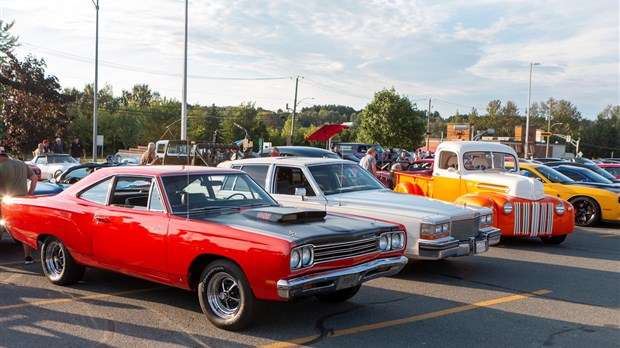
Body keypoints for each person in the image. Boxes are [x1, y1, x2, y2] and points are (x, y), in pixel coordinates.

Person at [0, 147, 38, 264]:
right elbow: (34, 178)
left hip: (6, 201)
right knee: (24, 229)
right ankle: (28, 257)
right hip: (23, 201)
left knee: (2, 226)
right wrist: (30, 194)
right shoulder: (21, 164)